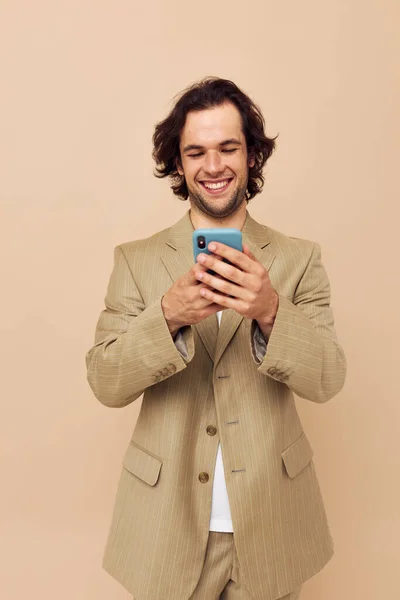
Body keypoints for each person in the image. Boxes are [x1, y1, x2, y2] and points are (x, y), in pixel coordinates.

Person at [85, 77, 346, 600]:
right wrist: (167, 316)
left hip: (271, 522)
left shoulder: (298, 259)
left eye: (229, 147)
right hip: (167, 526)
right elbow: (105, 382)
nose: (214, 166)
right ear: (178, 165)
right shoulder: (135, 261)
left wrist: (272, 311)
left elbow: (328, 378)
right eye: (196, 152)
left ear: (252, 157)